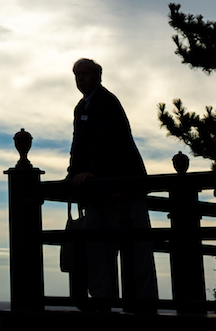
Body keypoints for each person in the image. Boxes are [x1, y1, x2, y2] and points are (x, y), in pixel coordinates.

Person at [67, 57, 158, 313]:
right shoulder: (80, 107)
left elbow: (107, 141)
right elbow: (79, 145)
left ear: (98, 76)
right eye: (76, 74)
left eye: (85, 73)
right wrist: (72, 174)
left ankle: (144, 302)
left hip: (122, 186)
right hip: (96, 194)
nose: (80, 78)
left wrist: (92, 171)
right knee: (96, 249)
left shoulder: (107, 102)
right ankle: (101, 300)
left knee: (137, 247)